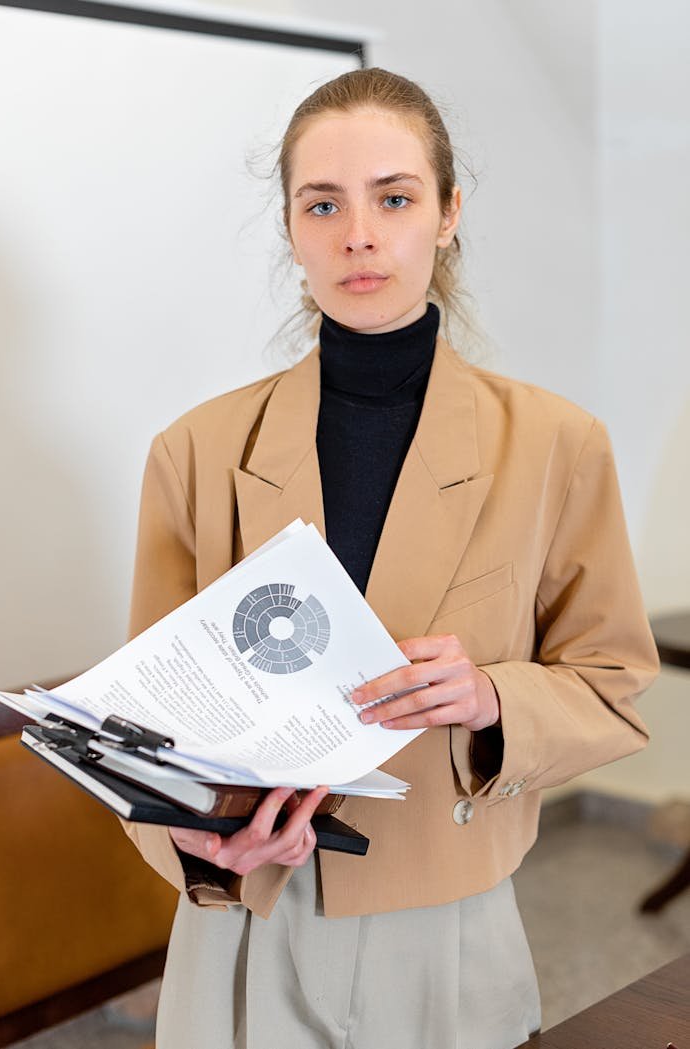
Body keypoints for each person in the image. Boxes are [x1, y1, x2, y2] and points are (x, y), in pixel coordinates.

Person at [122, 67, 659, 1049]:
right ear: (290, 226)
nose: (357, 233)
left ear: (448, 213)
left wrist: (494, 694)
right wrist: (197, 836)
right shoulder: (193, 451)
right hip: (246, 913)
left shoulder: (554, 445)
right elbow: (147, 727)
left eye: (395, 197)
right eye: (321, 202)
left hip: (443, 913)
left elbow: (612, 682)